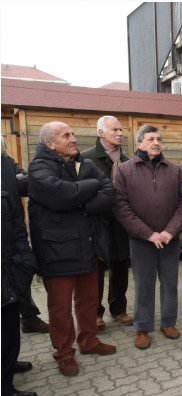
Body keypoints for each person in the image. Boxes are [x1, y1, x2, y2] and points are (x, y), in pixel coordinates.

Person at [28, 122, 117, 377]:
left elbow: (109, 193)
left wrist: (82, 204)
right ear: (50, 144)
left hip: (86, 246)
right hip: (56, 252)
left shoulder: (86, 165)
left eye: (73, 134)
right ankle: (64, 353)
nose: (73, 139)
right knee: (60, 309)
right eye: (66, 135)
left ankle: (88, 340)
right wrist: (86, 191)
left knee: (88, 301)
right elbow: (62, 194)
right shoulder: (39, 168)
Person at [113, 125, 182, 350]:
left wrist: (169, 232)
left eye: (159, 139)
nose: (156, 142)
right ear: (139, 144)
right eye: (150, 139)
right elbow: (120, 207)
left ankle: (168, 322)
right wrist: (147, 233)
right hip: (141, 240)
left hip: (169, 239)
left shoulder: (174, 170)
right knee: (144, 285)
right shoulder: (124, 170)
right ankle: (142, 327)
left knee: (170, 284)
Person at [82, 116, 133, 329]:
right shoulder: (86, 159)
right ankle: (94, 313)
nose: (120, 133)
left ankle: (118, 309)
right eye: (115, 130)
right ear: (101, 133)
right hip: (96, 223)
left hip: (120, 223)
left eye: (121, 129)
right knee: (96, 269)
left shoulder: (127, 160)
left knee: (120, 265)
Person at [2, 143, 38, 396]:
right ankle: (4, 392)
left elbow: (24, 183)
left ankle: (8, 365)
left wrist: (24, 256)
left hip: (11, 257)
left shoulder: (5, 163)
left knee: (10, 322)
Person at [2, 152, 49, 334]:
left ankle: (29, 318)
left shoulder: (6, 161)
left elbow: (26, 182)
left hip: (14, 228)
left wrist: (16, 181)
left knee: (18, 273)